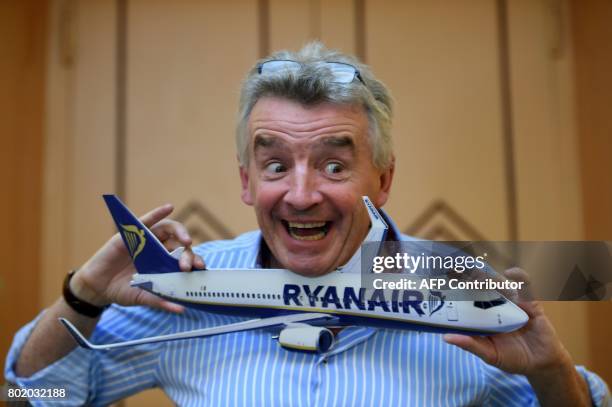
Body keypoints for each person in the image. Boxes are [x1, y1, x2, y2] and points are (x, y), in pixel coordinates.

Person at [5, 42, 609, 406]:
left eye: (334, 164)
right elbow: (30, 397)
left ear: (384, 180)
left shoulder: (461, 283)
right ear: (246, 182)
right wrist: (81, 297)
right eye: (274, 164)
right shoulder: (189, 286)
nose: (300, 194)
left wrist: (553, 372)